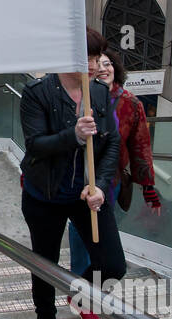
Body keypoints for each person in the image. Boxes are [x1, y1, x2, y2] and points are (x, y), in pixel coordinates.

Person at [20, 27, 125, 319]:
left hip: (86, 194)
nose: (94, 65)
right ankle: (45, 318)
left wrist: (101, 187)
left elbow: (111, 144)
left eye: (96, 57)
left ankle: (82, 296)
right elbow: (36, 145)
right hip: (45, 195)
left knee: (113, 264)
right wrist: (74, 136)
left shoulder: (98, 92)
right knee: (45, 262)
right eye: (87, 57)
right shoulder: (38, 93)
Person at [68, 49, 162, 277]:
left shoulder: (131, 103)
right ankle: (79, 282)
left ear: (115, 68)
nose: (102, 68)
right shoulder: (78, 97)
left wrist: (148, 188)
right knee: (80, 233)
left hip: (112, 181)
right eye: (96, 63)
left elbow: (140, 145)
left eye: (107, 63)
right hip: (79, 180)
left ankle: (94, 284)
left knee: (105, 239)